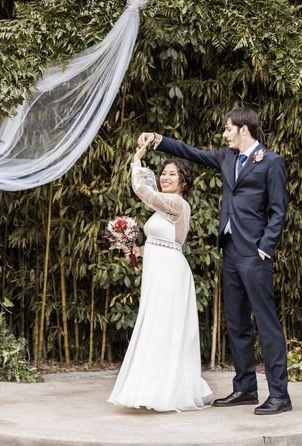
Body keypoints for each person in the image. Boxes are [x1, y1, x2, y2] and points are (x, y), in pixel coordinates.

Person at [138, 107, 291, 415]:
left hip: (255, 252)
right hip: (231, 248)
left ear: (243, 130)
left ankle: (280, 395)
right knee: (236, 322)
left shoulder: (272, 163)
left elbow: (279, 210)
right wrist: (158, 140)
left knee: (266, 323)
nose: (224, 134)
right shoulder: (228, 158)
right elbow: (191, 153)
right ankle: (245, 388)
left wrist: (265, 248)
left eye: (228, 129)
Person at [107, 143, 212, 412]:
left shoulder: (177, 204)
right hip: (158, 270)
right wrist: (136, 250)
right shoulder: (164, 209)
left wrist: (137, 159)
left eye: (172, 174)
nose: (165, 177)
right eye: (163, 173)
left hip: (170, 274)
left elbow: (142, 190)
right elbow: (162, 240)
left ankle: (165, 391)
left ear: (184, 181)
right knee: (156, 325)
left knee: (165, 327)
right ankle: (152, 386)